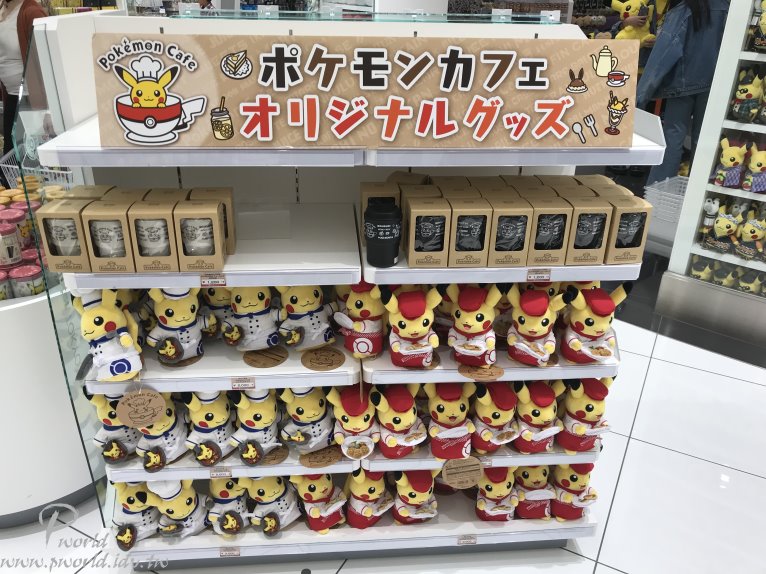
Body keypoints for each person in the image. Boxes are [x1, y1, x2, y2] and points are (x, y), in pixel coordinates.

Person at [637, 0, 729, 185]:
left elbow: (663, 54)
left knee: (672, 139)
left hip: (682, 84)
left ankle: (659, 191)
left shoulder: (685, 9)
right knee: (705, 143)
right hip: (716, 84)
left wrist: (640, 96)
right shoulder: (727, 7)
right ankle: (700, 193)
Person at [0, 0, 46, 164]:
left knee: (28, 163)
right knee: (10, 161)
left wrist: (47, 111)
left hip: (30, 102)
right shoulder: (3, 10)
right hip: (11, 98)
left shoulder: (32, 12)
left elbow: (46, 61)